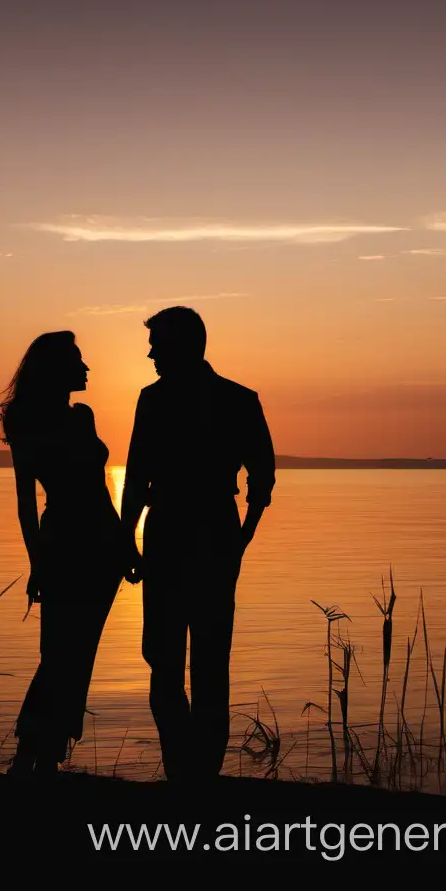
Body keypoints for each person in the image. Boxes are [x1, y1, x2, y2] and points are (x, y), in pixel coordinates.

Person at [120, 306, 275, 781]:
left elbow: (262, 475)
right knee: (170, 658)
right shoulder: (215, 398)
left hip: (197, 532)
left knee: (201, 659)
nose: (150, 353)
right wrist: (128, 540)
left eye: (158, 344)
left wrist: (243, 535)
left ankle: (195, 774)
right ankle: (187, 770)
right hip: (183, 533)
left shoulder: (231, 399)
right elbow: (137, 478)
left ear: (185, 344)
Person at [0, 331, 141, 776]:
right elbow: (26, 501)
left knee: (71, 652)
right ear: (56, 368)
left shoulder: (74, 416)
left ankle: (44, 754)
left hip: (89, 542)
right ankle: (35, 752)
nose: (86, 368)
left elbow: (88, 492)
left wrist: (124, 543)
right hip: (75, 543)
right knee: (65, 653)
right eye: (78, 361)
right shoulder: (36, 422)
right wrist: (36, 562)